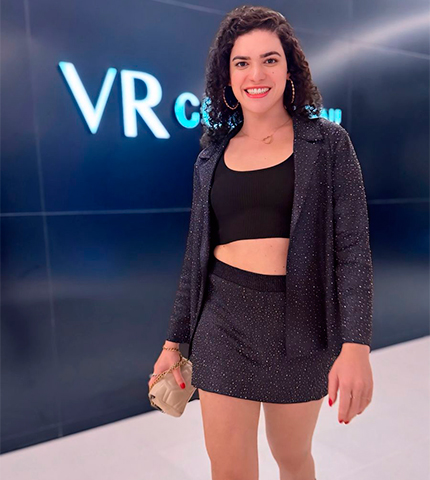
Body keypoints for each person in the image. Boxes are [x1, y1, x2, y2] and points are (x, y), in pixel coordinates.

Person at [149, 5, 374, 480]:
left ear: (290, 69)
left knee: (292, 457)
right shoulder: (210, 157)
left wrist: (356, 345)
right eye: (242, 62)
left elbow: (353, 250)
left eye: (270, 60)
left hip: (302, 326)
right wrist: (173, 342)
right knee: (229, 468)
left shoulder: (328, 144)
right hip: (223, 322)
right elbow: (195, 259)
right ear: (227, 77)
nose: (256, 74)